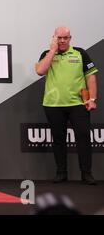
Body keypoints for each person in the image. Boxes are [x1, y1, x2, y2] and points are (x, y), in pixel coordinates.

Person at [36, 26, 98, 185]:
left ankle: (86, 173)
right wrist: (52, 51)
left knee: (83, 137)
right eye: (59, 38)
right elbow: (40, 71)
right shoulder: (46, 54)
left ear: (70, 38)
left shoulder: (80, 53)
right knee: (58, 139)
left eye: (66, 37)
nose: (62, 40)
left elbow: (90, 77)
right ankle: (61, 173)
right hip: (53, 105)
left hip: (78, 104)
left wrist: (92, 98)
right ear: (54, 38)